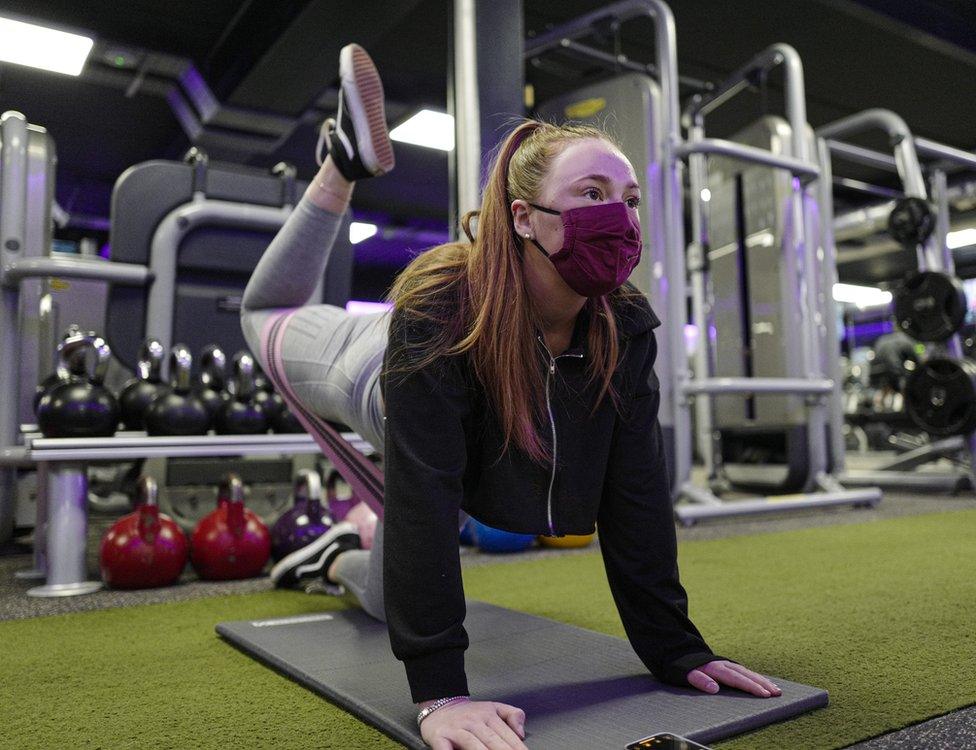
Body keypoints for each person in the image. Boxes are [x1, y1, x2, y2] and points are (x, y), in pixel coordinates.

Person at [241, 43, 782, 750]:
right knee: (261, 313)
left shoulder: (625, 327)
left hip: (464, 405)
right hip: (371, 369)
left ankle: (330, 557)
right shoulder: (437, 309)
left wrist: (677, 650)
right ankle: (343, 165)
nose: (619, 217)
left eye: (628, 200)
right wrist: (440, 694)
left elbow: (636, 496)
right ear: (525, 218)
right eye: (591, 194)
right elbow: (426, 501)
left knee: (386, 591)